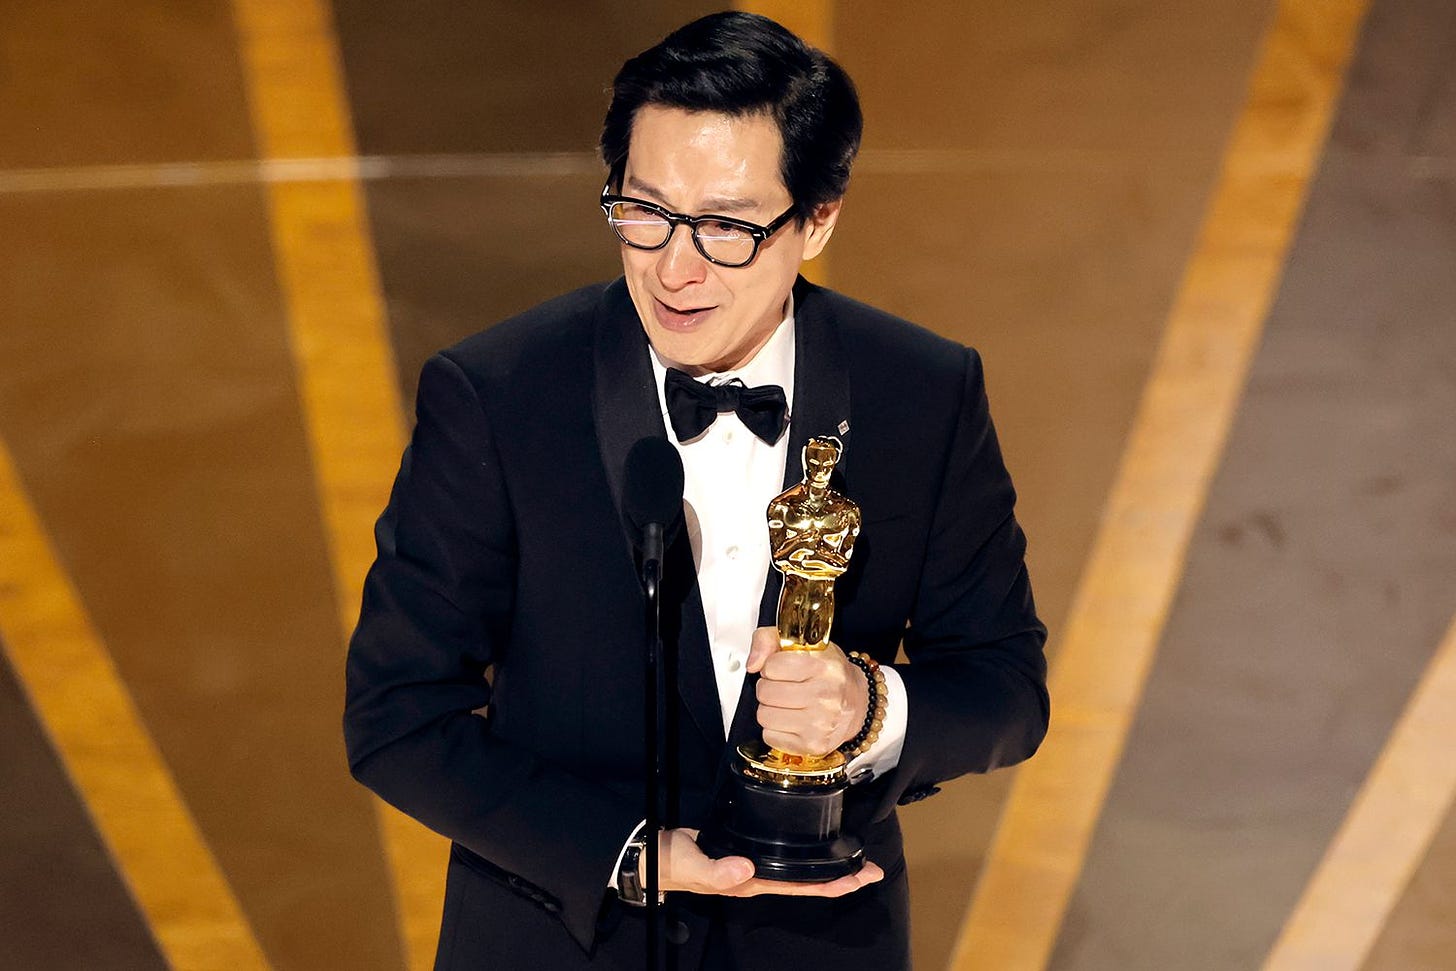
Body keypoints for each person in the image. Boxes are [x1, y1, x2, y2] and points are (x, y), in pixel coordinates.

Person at [344, 11, 1048, 970]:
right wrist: (630, 854)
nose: (674, 266)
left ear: (819, 216)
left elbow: (1007, 688)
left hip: (818, 943)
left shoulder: (922, 392)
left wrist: (870, 709)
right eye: (645, 211)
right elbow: (397, 715)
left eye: (725, 227)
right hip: (559, 941)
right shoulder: (497, 393)